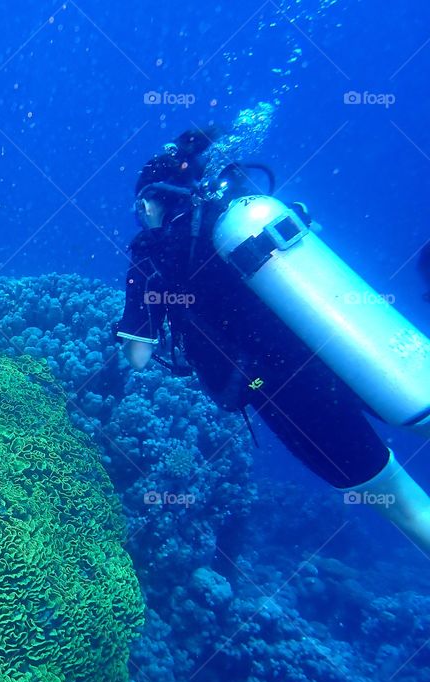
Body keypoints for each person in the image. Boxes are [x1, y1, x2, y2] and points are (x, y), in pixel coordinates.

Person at [115, 129, 430, 556]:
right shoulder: (253, 213)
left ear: (148, 200)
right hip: (356, 345)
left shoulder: (153, 250)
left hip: (287, 391)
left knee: (406, 505)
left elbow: (138, 356)